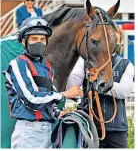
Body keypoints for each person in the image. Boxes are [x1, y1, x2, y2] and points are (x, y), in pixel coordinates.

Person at [5, 17, 83, 148]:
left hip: (47, 132)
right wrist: (64, 95)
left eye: (42, 39)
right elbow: (31, 98)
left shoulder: (47, 67)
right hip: (28, 133)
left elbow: (49, 100)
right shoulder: (18, 64)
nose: (39, 43)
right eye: (34, 39)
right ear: (24, 41)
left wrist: (59, 112)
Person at [66, 25, 134, 148]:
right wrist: (79, 59)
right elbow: (72, 84)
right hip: (90, 125)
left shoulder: (126, 65)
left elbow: (124, 91)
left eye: (115, 41)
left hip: (117, 128)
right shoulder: (86, 62)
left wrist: (100, 82)